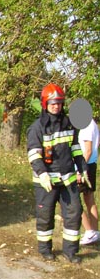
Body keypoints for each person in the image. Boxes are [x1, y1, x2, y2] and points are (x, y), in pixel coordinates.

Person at [26, 83, 90, 263]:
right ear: (45, 104)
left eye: (59, 103)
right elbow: (34, 154)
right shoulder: (37, 127)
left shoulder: (69, 124)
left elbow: (76, 149)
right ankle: (45, 249)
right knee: (45, 215)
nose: (56, 106)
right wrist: (42, 174)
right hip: (46, 181)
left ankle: (70, 252)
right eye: (53, 103)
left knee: (74, 213)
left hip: (68, 179)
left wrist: (83, 168)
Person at [78, 116, 99, 245]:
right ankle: (95, 232)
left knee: (73, 200)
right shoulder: (93, 124)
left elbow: (88, 150)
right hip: (91, 164)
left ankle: (89, 231)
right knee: (89, 199)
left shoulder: (87, 125)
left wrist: (80, 170)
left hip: (85, 166)